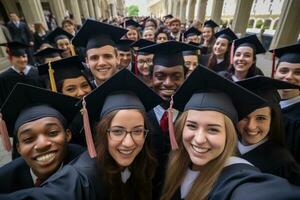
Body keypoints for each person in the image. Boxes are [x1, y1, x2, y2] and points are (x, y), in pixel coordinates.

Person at [0, 69, 163, 200]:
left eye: (137, 131)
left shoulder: (146, 160)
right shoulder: (83, 174)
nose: (128, 142)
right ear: (102, 133)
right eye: (117, 131)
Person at [161, 66, 300, 200]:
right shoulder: (176, 161)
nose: (199, 139)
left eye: (213, 129)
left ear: (228, 133)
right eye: (191, 126)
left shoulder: (235, 176)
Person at [139, 41, 200, 199]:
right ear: (151, 77)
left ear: (185, 76)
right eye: (160, 76)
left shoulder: (192, 114)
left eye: (176, 76)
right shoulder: (140, 113)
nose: (167, 83)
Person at [0, 83, 85, 192]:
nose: (42, 144)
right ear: (18, 148)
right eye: (28, 139)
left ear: (67, 135)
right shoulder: (5, 180)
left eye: (52, 133)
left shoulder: (89, 167)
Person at [237, 76, 300, 185]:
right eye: (244, 116)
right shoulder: (225, 145)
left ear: (272, 120)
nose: (251, 126)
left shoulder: (283, 165)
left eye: (261, 118)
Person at [72, 19, 127, 88]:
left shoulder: (133, 89)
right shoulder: (84, 94)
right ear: (87, 62)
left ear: (117, 59)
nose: (101, 63)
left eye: (107, 56)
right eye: (94, 58)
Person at [272, 43, 300, 163]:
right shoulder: (265, 102)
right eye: (283, 71)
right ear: (275, 73)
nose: (288, 77)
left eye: (298, 73)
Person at [0, 41, 42, 108]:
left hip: (41, 109)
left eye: (24, 56)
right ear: (10, 59)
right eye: (17, 57)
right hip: (18, 114)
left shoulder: (37, 72)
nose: (22, 59)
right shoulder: (3, 78)